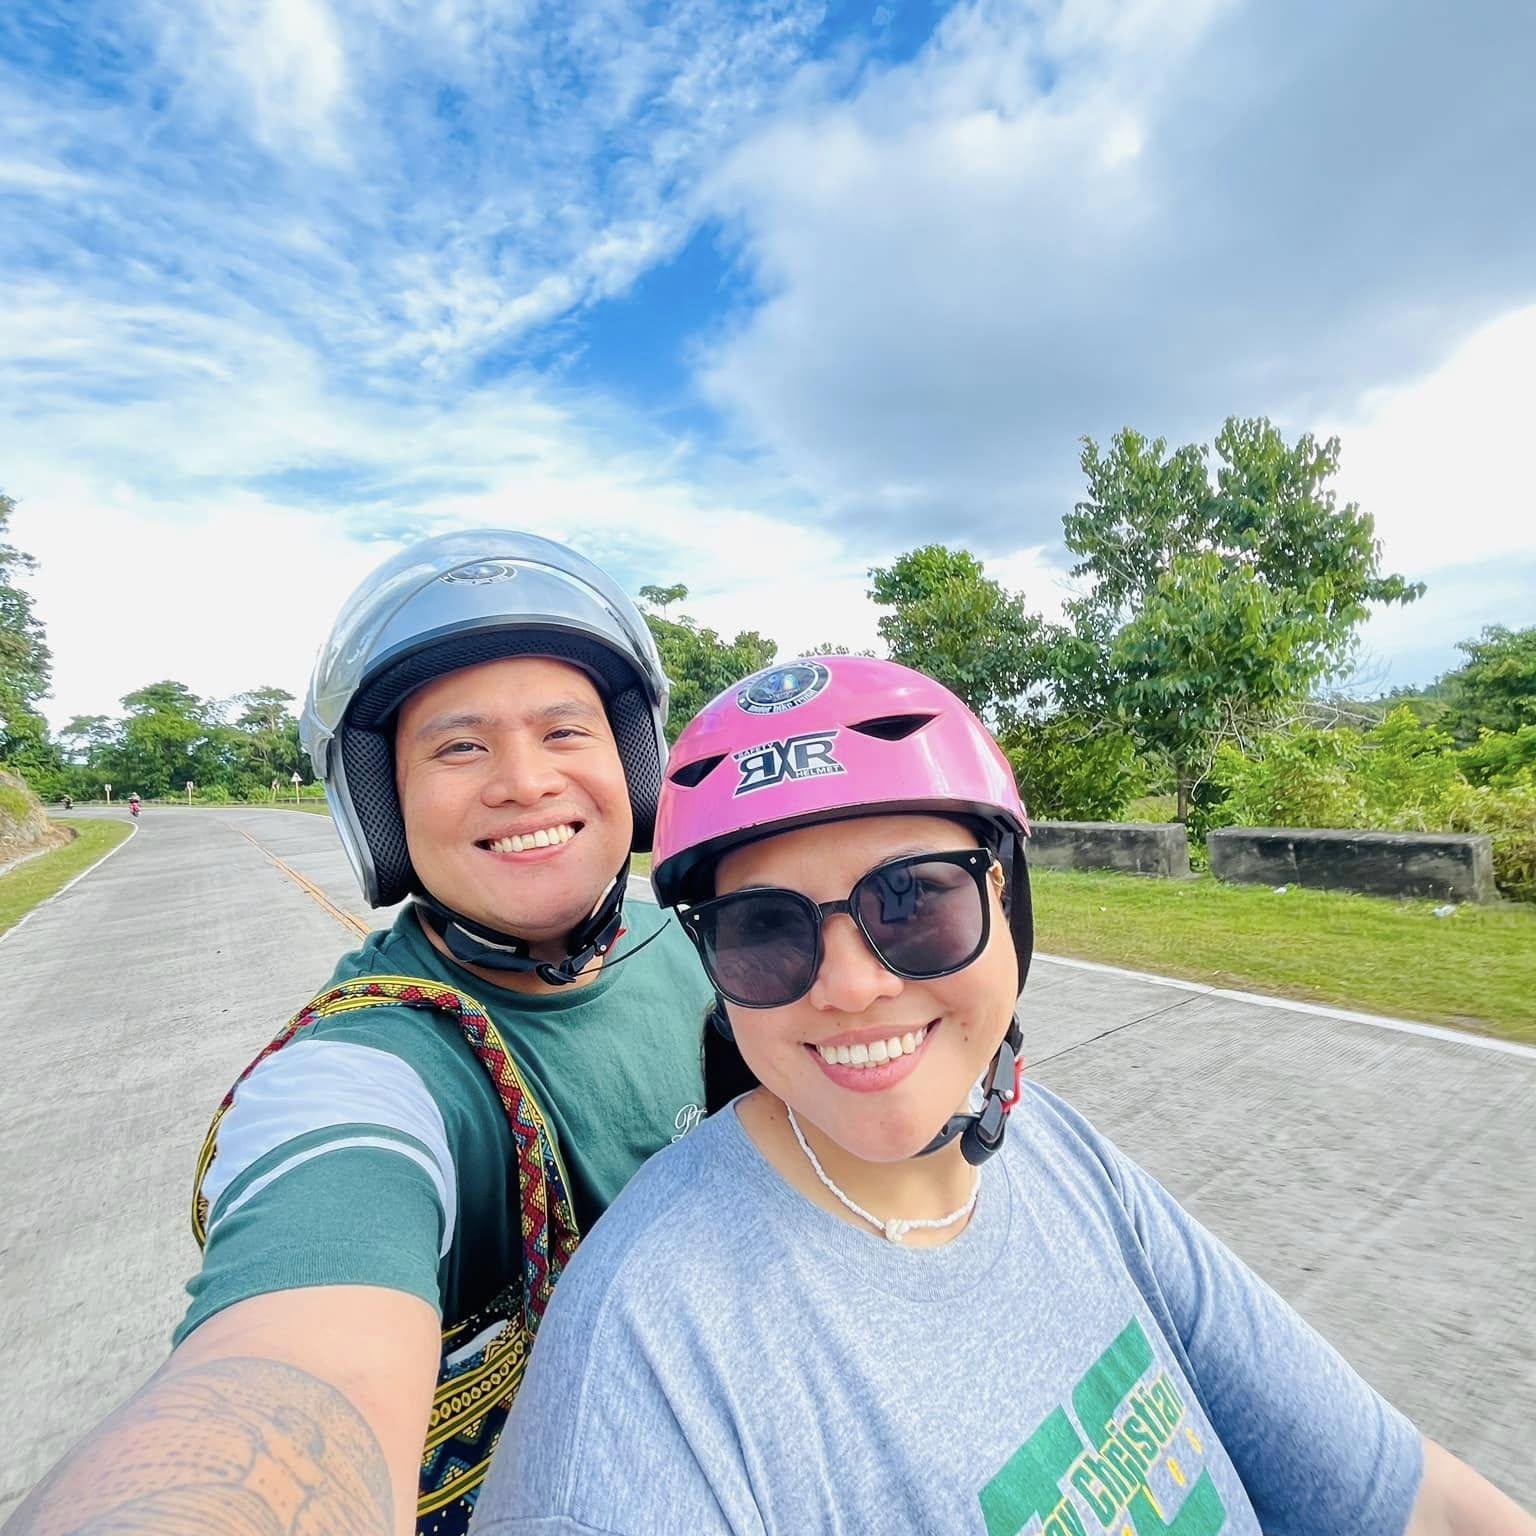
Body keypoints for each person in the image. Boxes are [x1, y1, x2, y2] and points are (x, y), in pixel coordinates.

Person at [470, 656, 1535, 1536]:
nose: (851, 986)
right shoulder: (653, 1358)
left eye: (912, 900)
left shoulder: (1051, 1148)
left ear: (1007, 900)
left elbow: (1409, 1498)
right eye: (765, 929)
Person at [6, 531, 713, 1536]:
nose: (524, 782)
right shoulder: (373, 1066)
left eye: (565, 732)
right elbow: (293, 1364)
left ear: (631, 760)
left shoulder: (702, 942)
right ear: (382, 803)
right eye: (459, 747)